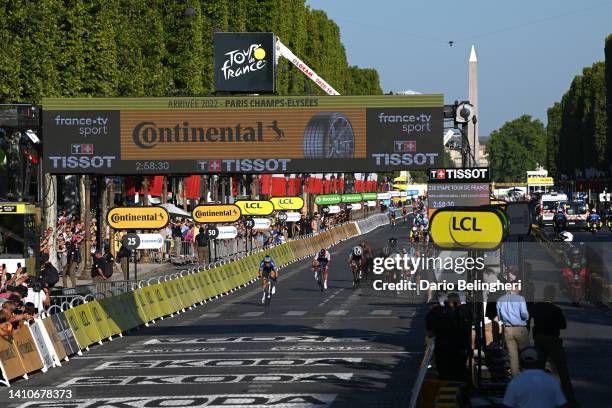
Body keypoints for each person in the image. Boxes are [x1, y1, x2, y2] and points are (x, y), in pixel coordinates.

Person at [529, 286, 578, 406]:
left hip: (539, 339)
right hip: (553, 339)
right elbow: (563, 325)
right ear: (553, 296)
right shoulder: (556, 309)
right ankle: (569, 397)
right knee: (562, 369)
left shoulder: (537, 307)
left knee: (538, 369)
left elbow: (528, 317)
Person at [502, 347, 568, 408]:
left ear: (521, 363)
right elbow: (562, 404)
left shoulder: (515, 383)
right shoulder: (551, 381)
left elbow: (507, 404)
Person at [426, 292, 471, 381]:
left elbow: (430, 334)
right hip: (460, 344)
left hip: (442, 344)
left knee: (444, 371)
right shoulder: (464, 310)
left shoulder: (434, 313)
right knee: (460, 370)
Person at [496, 288, 530, 377]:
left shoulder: (500, 300)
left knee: (512, 357)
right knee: (526, 354)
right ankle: (527, 376)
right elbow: (524, 315)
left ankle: (515, 379)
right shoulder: (520, 299)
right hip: (520, 328)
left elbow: (499, 317)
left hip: (508, 330)